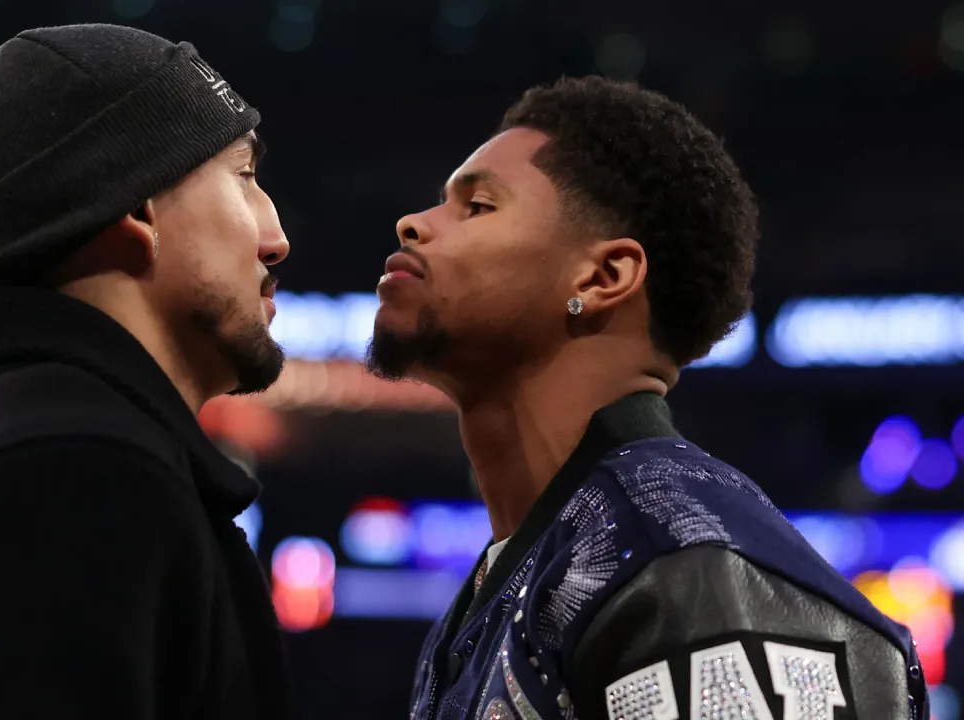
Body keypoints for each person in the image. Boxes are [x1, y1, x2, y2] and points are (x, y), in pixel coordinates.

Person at [370, 76, 927, 720]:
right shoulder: (506, 587)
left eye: (478, 206)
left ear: (602, 277)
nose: (413, 223)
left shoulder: (693, 571)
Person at [0, 24, 294, 720]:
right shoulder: (69, 474)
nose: (276, 238)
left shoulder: (54, 449)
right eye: (244, 176)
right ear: (139, 207)